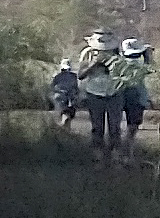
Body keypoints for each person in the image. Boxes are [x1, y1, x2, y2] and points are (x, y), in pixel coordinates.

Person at [76, 29, 124, 161]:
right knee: (97, 127)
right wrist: (94, 64)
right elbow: (81, 75)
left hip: (114, 93)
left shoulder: (118, 54)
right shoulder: (88, 53)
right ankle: (98, 157)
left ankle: (114, 156)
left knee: (115, 127)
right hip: (94, 94)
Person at [115, 38, 154, 160]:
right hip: (136, 98)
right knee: (132, 128)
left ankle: (119, 153)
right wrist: (147, 55)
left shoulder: (118, 63)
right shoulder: (139, 65)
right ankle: (126, 153)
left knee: (116, 127)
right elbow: (151, 67)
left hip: (120, 95)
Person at [49, 60, 80, 129]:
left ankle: (63, 124)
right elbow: (76, 86)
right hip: (71, 96)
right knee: (69, 111)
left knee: (61, 110)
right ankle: (66, 125)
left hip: (60, 95)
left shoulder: (57, 76)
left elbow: (52, 86)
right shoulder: (73, 76)